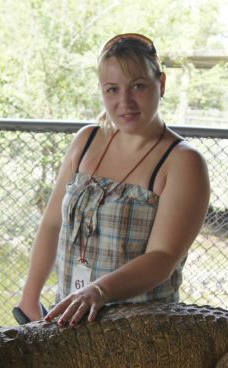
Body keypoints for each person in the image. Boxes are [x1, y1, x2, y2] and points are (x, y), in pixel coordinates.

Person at [16, 33, 210, 326]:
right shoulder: (86, 140)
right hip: (69, 322)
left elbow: (163, 258)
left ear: (162, 84)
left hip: (140, 328)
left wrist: (100, 290)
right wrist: (30, 297)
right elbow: (52, 223)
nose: (125, 102)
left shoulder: (183, 162)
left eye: (138, 86)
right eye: (112, 89)